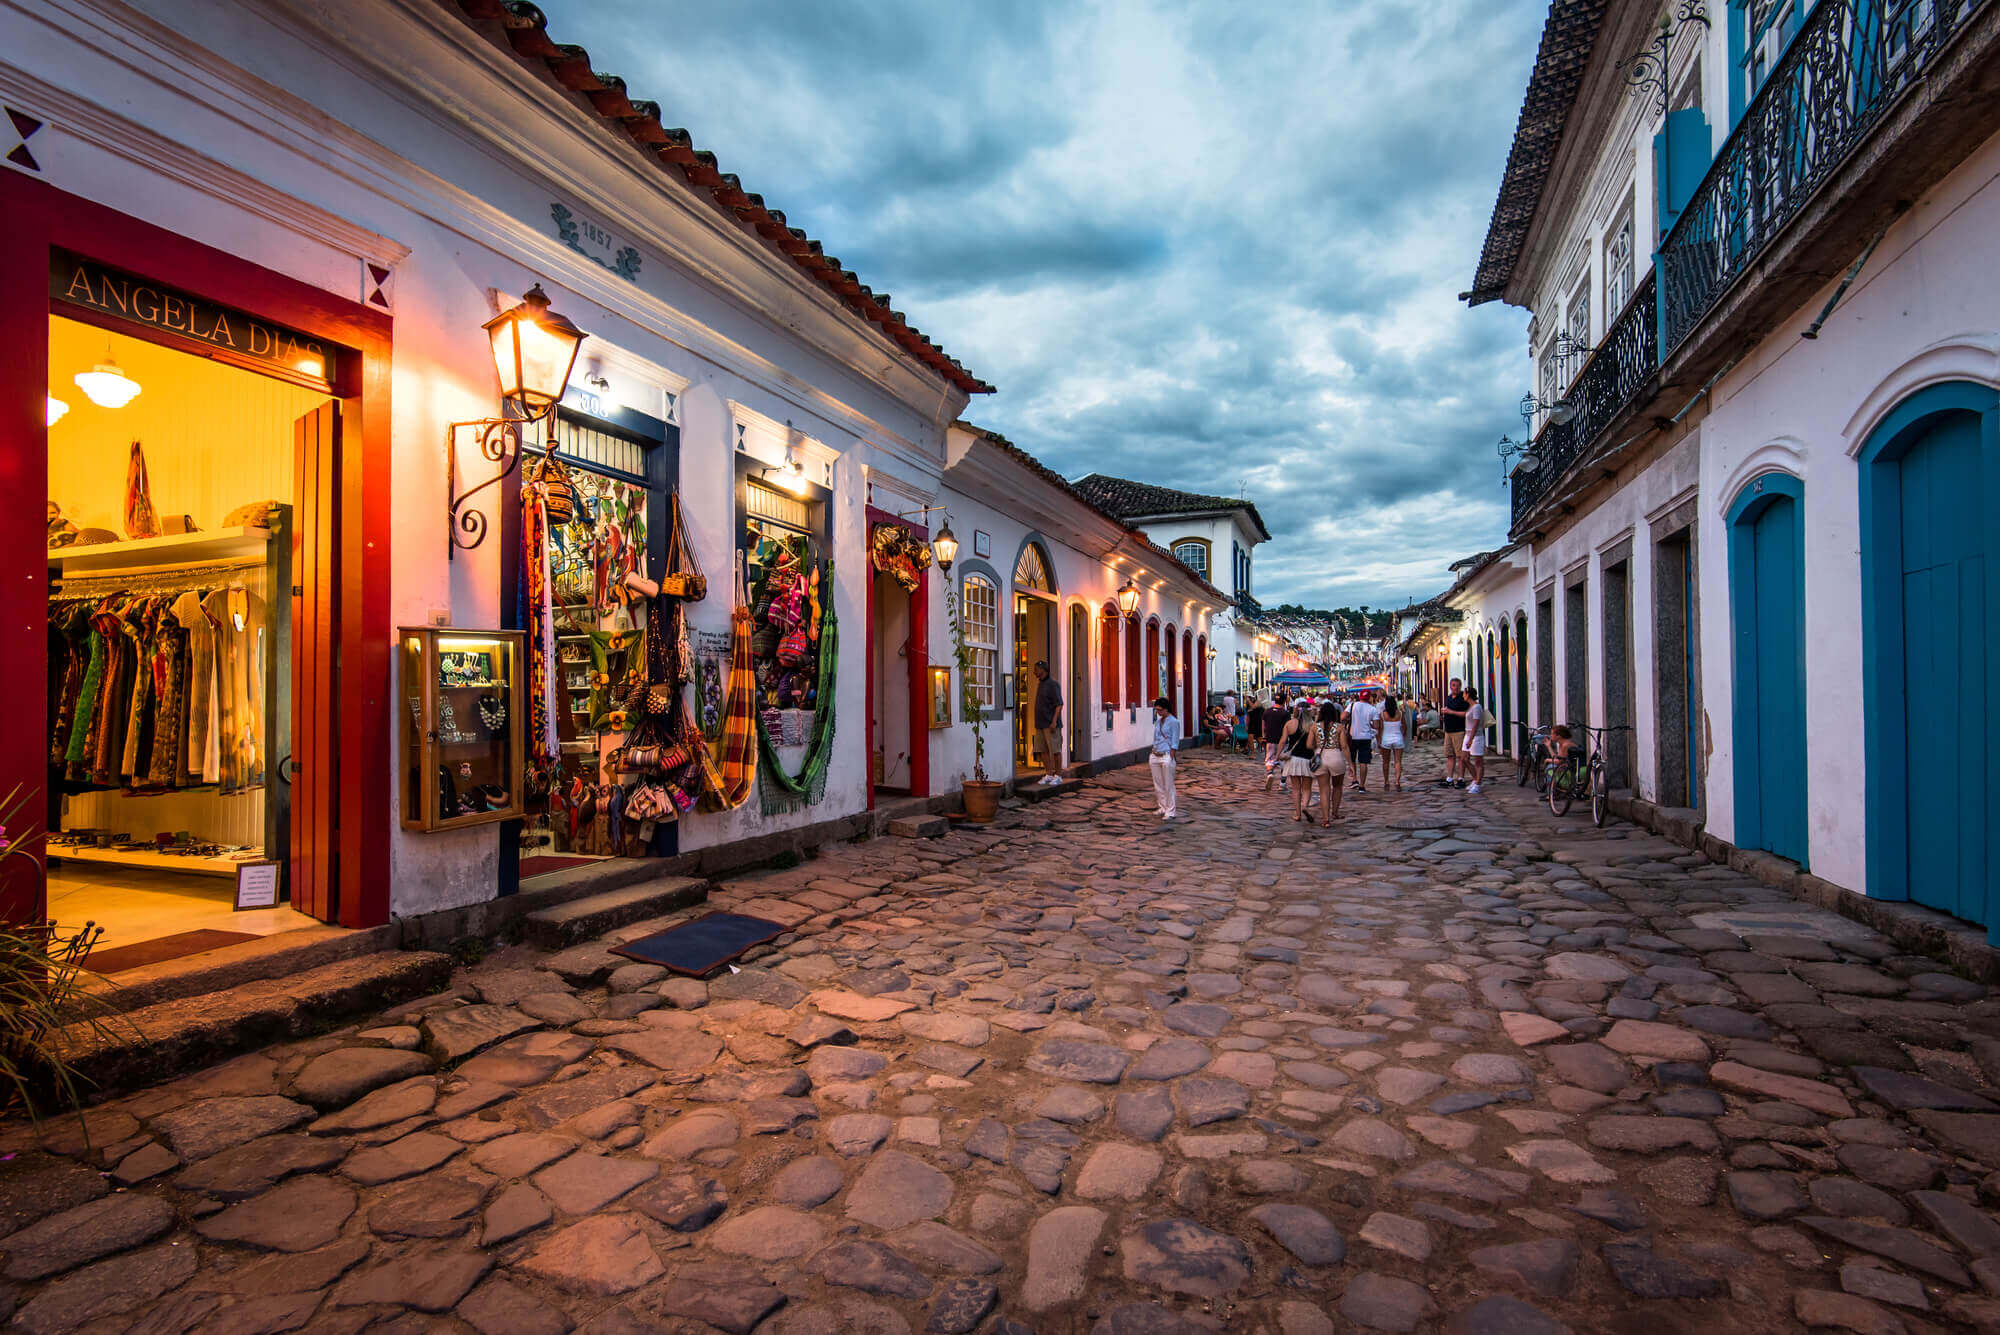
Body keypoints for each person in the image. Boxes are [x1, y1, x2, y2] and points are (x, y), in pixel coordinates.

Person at [1279, 700, 1318, 823]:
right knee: (1307, 788)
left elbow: (1283, 740)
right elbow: (1316, 744)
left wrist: (1277, 755)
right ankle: (1305, 806)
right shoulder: (1313, 725)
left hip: (1294, 759)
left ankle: (1297, 814)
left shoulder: (1290, 724)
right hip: (1308, 759)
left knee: (1296, 788)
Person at [1314, 698, 1348, 824]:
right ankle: (1335, 812)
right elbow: (1344, 746)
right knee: (1337, 787)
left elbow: (1308, 744)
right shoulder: (1339, 727)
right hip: (1335, 756)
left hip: (1321, 757)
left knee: (1323, 789)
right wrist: (1351, 764)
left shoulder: (1315, 727)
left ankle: (1325, 819)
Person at [1149, 695, 1181, 820]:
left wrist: (1171, 756)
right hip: (1155, 754)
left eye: (1160, 710)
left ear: (1167, 709)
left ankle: (1170, 810)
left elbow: (1175, 740)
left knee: (1168, 784)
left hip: (1166, 755)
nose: (1158, 712)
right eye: (1157, 710)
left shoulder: (1174, 722)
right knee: (1158, 783)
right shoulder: (1158, 721)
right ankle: (1162, 806)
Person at [1031, 660, 1063, 784]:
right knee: (1042, 750)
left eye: (1036, 670)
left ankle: (1058, 775)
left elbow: (1059, 704)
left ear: (1043, 670)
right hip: (1040, 724)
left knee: (1055, 750)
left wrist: (1054, 721)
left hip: (1050, 724)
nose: (1034, 672)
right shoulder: (1040, 684)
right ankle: (1049, 773)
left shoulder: (1053, 684)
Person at [1347, 687, 1380, 794]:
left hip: (1353, 736)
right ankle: (1362, 785)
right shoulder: (1373, 709)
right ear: (1369, 697)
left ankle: (1354, 779)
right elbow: (1376, 725)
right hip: (1365, 737)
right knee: (1363, 762)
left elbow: (1343, 716)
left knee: (1352, 759)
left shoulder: (1352, 705)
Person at [1439, 677, 1469, 788]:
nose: (1455, 687)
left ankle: (1461, 778)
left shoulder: (1463, 699)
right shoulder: (1448, 698)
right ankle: (1450, 778)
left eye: (1457, 685)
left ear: (1460, 686)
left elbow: (1466, 713)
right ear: (1450, 686)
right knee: (1450, 755)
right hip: (1448, 731)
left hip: (1459, 731)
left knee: (1461, 756)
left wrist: (1450, 712)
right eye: (1453, 685)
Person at [1262, 694, 1293, 792]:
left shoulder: (1267, 711)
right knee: (1284, 762)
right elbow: (1288, 727)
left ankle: (1270, 773)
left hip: (1270, 739)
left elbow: (1263, 725)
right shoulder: (1285, 713)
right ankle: (1282, 784)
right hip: (1282, 740)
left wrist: (1264, 736)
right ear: (1284, 701)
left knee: (1269, 759)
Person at [1378, 692, 1406, 791]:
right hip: (1398, 738)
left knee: (1385, 762)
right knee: (1398, 761)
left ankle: (1386, 781)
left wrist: (1379, 741)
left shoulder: (1382, 714)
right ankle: (1397, 781)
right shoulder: (1400, 713)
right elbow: (1404, 726)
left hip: (1386, 739)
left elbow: (1380, 729)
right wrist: (1402, 735)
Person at [1463, 687, 1486, 793]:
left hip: (1476, 736)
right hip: (1467, 735)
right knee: (1464, 758)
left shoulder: (1477, 707)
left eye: (1464, 693)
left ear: (1468, 695)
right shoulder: (1469, 707)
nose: (1463, 695)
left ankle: (1478, 783)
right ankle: (1475, 779)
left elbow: (1476, 724)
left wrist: (1470, 739)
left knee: (1478, 761)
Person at [1245, 696, 1267, 761]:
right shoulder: (1249, 706)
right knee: (1250, 739)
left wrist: (1248, 700)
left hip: (1258, 724)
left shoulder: (1259, 702)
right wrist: (1247, 725)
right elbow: (1248, 716)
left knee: (1260, 740)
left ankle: (1267, 754)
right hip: (1251, 724)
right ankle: (1252, 754)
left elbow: (1254, 707)